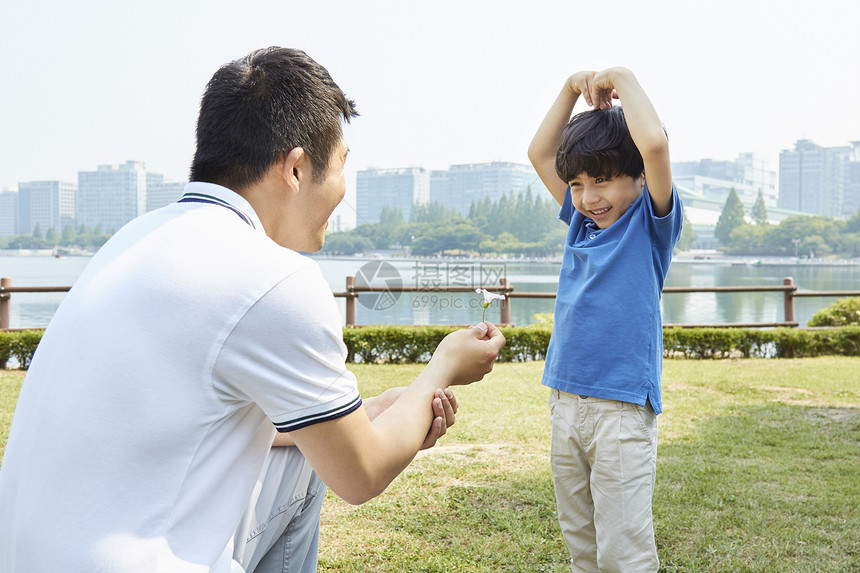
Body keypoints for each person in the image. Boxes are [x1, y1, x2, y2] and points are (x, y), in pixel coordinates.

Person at [0, 47, 506, 572]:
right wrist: (444, 366)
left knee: (304, 452)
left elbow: (181, 411)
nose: (342, 190)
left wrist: (363, 418)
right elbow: (363, 473)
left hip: (28, 555)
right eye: (341, 165)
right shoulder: (274, 278)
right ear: (295, 168)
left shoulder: (136, 238)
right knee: (318, 467)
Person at [527, 67, 683, 572]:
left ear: (637, 179)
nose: (589, 197)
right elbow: (538, 154)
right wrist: (570, 90)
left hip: (621, 410)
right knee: (582, 543)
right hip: (566, 401)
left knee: (624, 547)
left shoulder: (649, 224)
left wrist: (622, 78)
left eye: (603, 180)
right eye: (576, 183)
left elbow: (654, 145)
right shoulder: (580, 222)